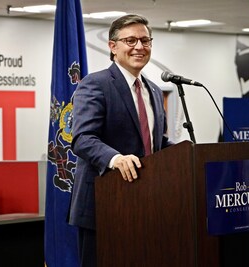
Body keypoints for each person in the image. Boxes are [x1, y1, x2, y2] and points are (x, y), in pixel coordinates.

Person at [68, 14, 173, 267]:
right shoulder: (95, 84)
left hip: (147, 206)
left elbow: (156, 142)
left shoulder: (155, 91)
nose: (140, 47)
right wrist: (115, 159)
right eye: (131, 40)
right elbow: (82, 138)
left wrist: (188, 153)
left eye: (146, 40)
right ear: (113, 47)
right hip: (104, 207)